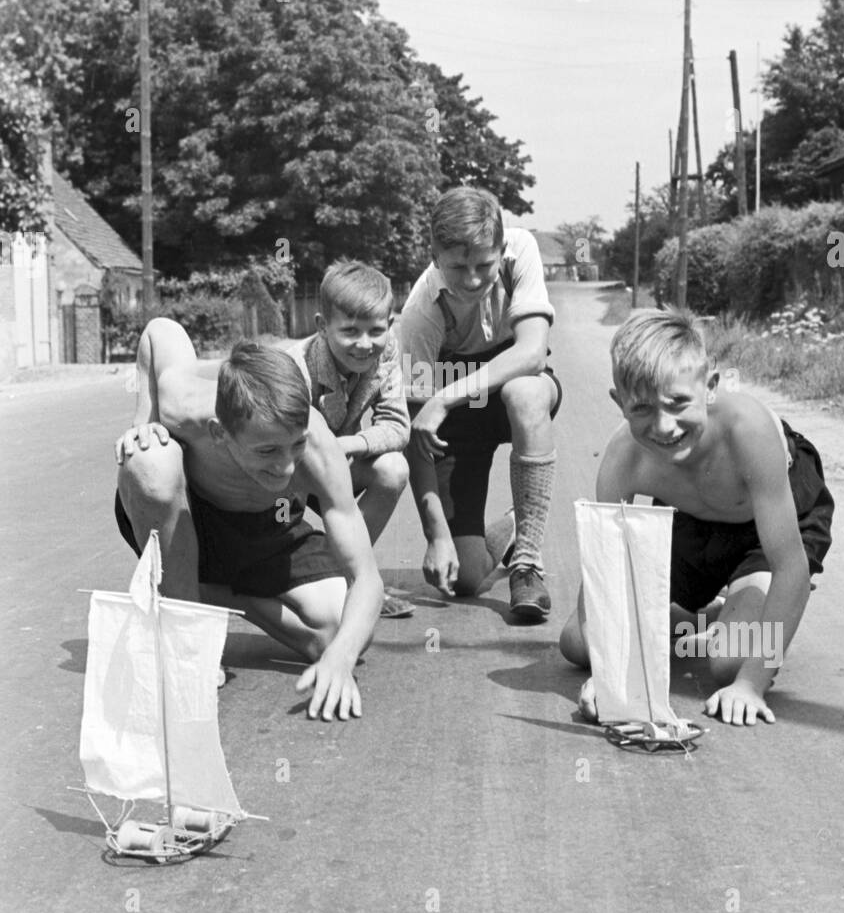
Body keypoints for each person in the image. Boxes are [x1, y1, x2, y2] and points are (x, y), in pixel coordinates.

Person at [559, 306, 834, 726]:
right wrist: (611, 678)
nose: (663, 427)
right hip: (689, 517)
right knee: (578, 645)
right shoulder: (624, 460)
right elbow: (606, 569)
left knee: (731, 660)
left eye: (678, 403)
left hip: (769, 525)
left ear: (710, 387)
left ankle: (742, 611)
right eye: (642, 409)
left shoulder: (749, 432)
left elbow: (790, 567)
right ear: (619, 402)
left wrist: (752, 683)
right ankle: (701, 617)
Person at [114, 317, 383, 721]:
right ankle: (188, 640)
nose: (286, 467)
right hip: (191, 525)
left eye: (295, 445)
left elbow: (367, 577)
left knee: (339, 632)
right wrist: (143, 423)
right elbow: (160, 329)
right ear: (220, 434)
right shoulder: (182, 404)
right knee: (149, 460)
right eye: (267, 451)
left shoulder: (318, 449)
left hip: (268, 531)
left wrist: (341, 659)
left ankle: (217, 596)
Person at [399, 186, 561, 620]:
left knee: (524, 391)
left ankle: (527, 561)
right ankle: (506, 532)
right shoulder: (418, 315)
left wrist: (446, 394)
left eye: (483, 264)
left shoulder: (521, 248)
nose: (472, 279)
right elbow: (419, 432)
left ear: (501, 247)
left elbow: (531, 352)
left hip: (509, 395)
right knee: (465, 579)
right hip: (459, 423)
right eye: (457, 266)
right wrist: (435, 534)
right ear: (434, 255)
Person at [288, 259, 413, 618]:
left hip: (339, 462)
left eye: (376, 330)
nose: (364, 344)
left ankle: (352, 577)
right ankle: (304, 581)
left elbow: (397, 425)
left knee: (393, 468)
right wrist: (327, 450)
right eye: (350, 331)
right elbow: (283, 445)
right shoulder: (296, 366)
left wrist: (348, 445)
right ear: (322, 327)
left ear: (390, 325)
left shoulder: (387, 351)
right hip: (290, 473)